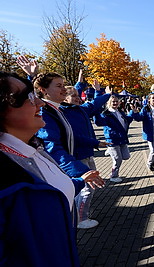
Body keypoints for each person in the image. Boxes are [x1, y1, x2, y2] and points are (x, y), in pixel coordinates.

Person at [0, 71, 104, 266]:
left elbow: (50, 190)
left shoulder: (35, 151)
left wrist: (80, 181)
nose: (39, 104)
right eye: (29, 98)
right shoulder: (8, 180)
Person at [62, 78, 112, 229]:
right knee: (87, 188)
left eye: (79, 96)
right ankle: (81, 219)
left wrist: (101, 92)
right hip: (78, 156)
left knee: (85, 187)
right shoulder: (64, 114)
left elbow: (95, 103)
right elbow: (75, 137)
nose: (78, 98)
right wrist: (95, 143)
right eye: (74, 96)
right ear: (64, 98)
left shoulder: (80, 109)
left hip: (87, 153)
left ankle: (78, 215)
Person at [94, 95, 135, 183]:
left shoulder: (120, 111)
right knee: (118, 159)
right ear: (109, 103)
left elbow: (127, 120)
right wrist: (95, 113)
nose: (115, 103)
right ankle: (113, 175)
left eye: (117, 101)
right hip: (112, 139)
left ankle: (109, 151)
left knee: (126, 156)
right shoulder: (106, 114)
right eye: (113, 102)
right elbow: (98, 122)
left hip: (122, 138)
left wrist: (132, 112)